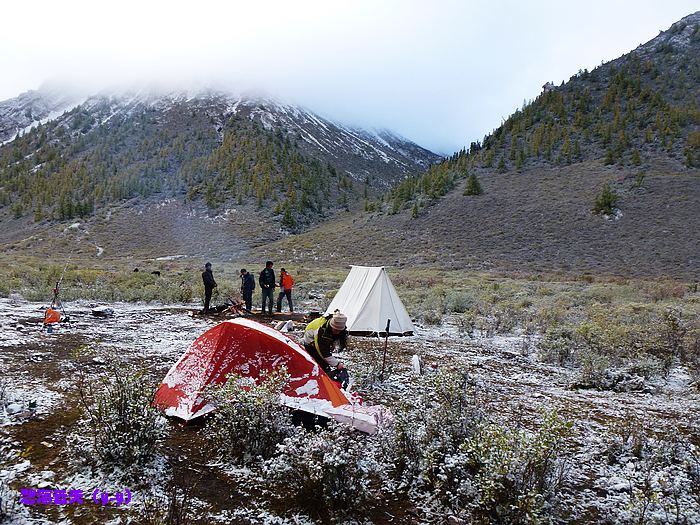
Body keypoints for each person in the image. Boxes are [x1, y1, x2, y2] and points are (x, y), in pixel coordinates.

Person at [302, 310, 348, 377]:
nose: (337, 332)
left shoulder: (336, 325)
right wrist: (337, 364)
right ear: (331, 326)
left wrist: (332, 345)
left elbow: (336, 338)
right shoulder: (321, 331)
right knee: (319, 362)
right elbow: (322, 351)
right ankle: (318, 376)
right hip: (310, 342)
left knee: (325, 360)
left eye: (339, 331)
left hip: (321, 338)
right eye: (335, 330)